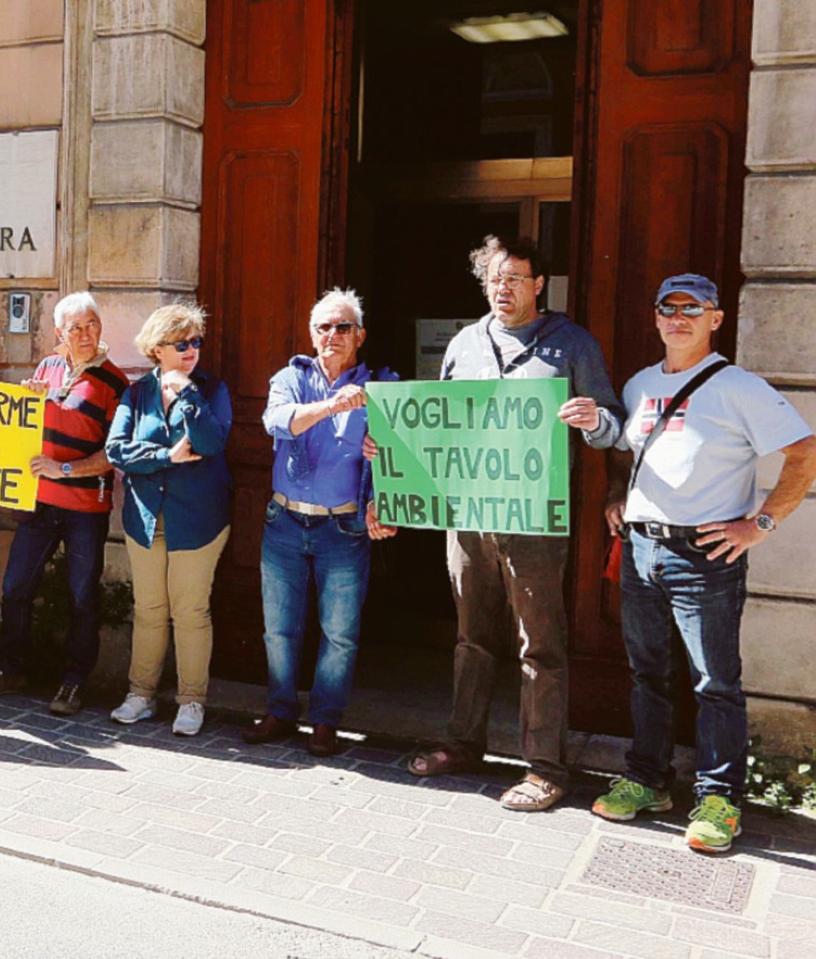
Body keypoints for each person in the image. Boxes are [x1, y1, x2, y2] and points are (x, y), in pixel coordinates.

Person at [398, 236, 624, 812]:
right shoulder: (464, 345)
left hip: (533, 520)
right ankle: (463, 743)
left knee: (539, 643)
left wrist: (593, 420)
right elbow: (437, 425)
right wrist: (394, 451)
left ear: (539, 284)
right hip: (469, 514)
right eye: (497, 278)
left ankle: (545, 768)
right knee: (472, 637)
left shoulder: (571, 345)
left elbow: (613, 425)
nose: (505, 288)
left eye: (517, 278)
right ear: (485, 282)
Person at [591, 273, 816, 853]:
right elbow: (624, 450)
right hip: (643, 548)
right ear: (656, 316)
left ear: (716, 319)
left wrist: (759, 525)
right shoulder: (640, 385)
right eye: (669, 306)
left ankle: (719, 798)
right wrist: (619, 496)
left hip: (704, 556)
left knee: (715, 682)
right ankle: (647, 780)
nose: (679, 317)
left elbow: (805, 452)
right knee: (648, 674)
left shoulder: (738, 386)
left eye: (694, 308)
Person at [248, 289, 396, 756]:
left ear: (361, 335)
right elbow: (278, 421)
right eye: (324, 327)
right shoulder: (290, 377)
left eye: (343, 327)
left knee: (340, 632)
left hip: (345, 528)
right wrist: (333, 406)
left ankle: (326, 721)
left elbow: (403, 454)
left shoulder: (382, 387)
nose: (332, 335)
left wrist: (382, 493)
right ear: (312, 334)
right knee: (279, 628)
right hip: (286, 521)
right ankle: (279, 711)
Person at [0, 292, 128, 716]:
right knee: (14, 587)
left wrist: (68, 469)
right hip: (39, 504)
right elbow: (18, 430)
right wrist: (28, 402)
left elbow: (116, 451)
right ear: (59, 333)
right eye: (74, 328)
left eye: (91, 324)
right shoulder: (47, 368)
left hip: (85, 508)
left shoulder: (115, 381)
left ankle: (75, 682)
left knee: (81, 596)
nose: (85, 334)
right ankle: (12, 668)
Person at [105, 304, 232, 736]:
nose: (192, 350)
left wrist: (187, 395)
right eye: (182, 343)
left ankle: (192, 701)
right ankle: (141, 694)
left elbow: (212, 442)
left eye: (196, 342)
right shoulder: (137, 393)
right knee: (149, 610)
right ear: (158, 349)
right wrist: (164, 456)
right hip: (145, 519)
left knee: (191, 611)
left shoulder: (211, 390)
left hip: (197, 520)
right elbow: (116, 450)